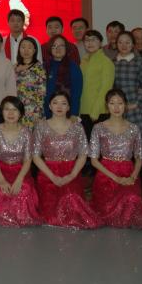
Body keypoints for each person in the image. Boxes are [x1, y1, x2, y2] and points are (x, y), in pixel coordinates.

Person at [89, 89, 142, 229]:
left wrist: (132, 177)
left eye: (120, 103)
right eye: (112, 103)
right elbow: (94, 160)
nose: (116, 107)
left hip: (128, 174)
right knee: (108, 210)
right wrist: (116, 178)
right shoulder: (98, 128)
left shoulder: (134, 128)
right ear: (107, 106)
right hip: (106, 176)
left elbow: (139, 158)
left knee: (131, 201)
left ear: (126, 105)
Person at [32, 91, 100, 229]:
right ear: (49, 106)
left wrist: (71, 175)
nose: (59, 106)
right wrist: (52, 177)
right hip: (48, 174)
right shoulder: (41, 127)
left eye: (64, 103)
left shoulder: (77, 127)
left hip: (71, 173)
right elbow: (35, 156)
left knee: (72, 203)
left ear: (68, 107)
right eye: (55, 103)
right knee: (51, 214)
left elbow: (83, 154)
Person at [0, 96, 42, 227]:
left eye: (14, 110)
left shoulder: (26, 132)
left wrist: (19, 179)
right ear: (1, 112)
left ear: (20, 113)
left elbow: (28, 159)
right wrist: (1, 180)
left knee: (23, 192)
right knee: (0, 193)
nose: (10, 113)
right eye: (7, 109)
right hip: (1, 171)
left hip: (21, 171)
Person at [112, 31, 142, 163]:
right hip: (118, 109)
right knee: (120, 145)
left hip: (135, 108)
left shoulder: (139, 61)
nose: (124, 45)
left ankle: (138, 175)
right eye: (120, 42)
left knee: (137, 146)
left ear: (132, 45)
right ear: (116, 44)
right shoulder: (113, 62)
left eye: (127, 42)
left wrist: (136, 102)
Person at [79, 30, 114, 137]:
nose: (90, 43)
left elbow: (106, 88)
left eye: (93, 39)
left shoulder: (106, 62)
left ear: (101, 43)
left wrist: (96, 111)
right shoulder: (83, 61)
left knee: (98, 145)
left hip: (99, 112)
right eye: (87, 40)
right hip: (83, 110)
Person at [43, 34, 82, 118]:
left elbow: (76, 93)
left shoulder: (73, 67)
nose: (58, 48)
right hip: (47, 112)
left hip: (67, 112)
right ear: (50, 48)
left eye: (61, 46)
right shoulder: (45, 66)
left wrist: (74, 113)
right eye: (54, 46)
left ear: (66, 48)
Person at [14, 38, 46, 127]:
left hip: (33, 111)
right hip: (17, 110)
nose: (26, 50)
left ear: (34, 50)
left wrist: (38, 112)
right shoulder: (14, 67)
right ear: (19, 49)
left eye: (29, 47)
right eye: (23, 47)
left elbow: (42, 92)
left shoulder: (39, 68)